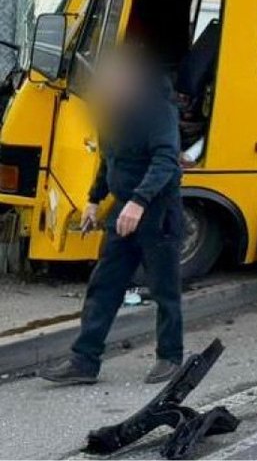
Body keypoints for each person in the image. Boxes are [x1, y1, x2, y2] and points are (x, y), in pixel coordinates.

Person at [42, 45, 184, 386]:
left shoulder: (157, 111)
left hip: (157, 211)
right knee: (104, 284)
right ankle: (84, 359)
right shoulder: (112, 113)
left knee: (164, 289)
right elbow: (110, 160)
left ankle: (171, 357)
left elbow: (166, 159)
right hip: (124, 210)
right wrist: (94, 200)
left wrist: (138, 202)